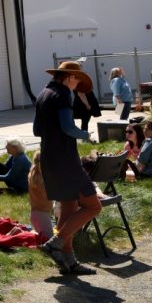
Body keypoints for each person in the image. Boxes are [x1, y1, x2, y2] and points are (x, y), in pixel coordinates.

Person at [34, 61, 101, 275]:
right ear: (70, 77)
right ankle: (55, 243)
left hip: (48, 159)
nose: (78, 84)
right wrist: (86, 135)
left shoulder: (44, 93)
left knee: (69, 209)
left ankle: (69, 261)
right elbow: (67, 127)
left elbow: (37, 130)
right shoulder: (63, 94)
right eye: (78, 80)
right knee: (93, 206)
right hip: (66, 160)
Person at [28, 153, 54, 242]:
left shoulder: (34, 175)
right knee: (49, 241)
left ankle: (25, 231)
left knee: (42, 237)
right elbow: (48, 195)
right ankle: (22, 232)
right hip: (41, 215)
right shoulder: (41, 180)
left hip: (36, 213)